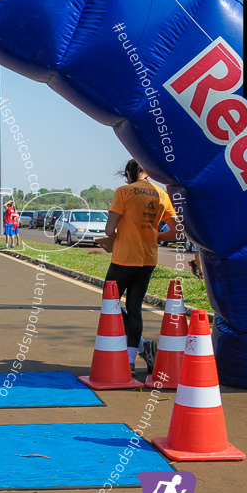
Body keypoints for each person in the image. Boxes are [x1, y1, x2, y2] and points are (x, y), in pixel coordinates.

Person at [102, 159, 180, 371]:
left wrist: (112, 237)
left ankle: (143, 345)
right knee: (134, 307)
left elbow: (110, 230)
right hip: (148, 259)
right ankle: (131, 359)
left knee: (110, 303)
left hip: (124, 258)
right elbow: (176, 232)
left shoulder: (124, 192)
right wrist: (155, 236)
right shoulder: (162, 194)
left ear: (128, 173)